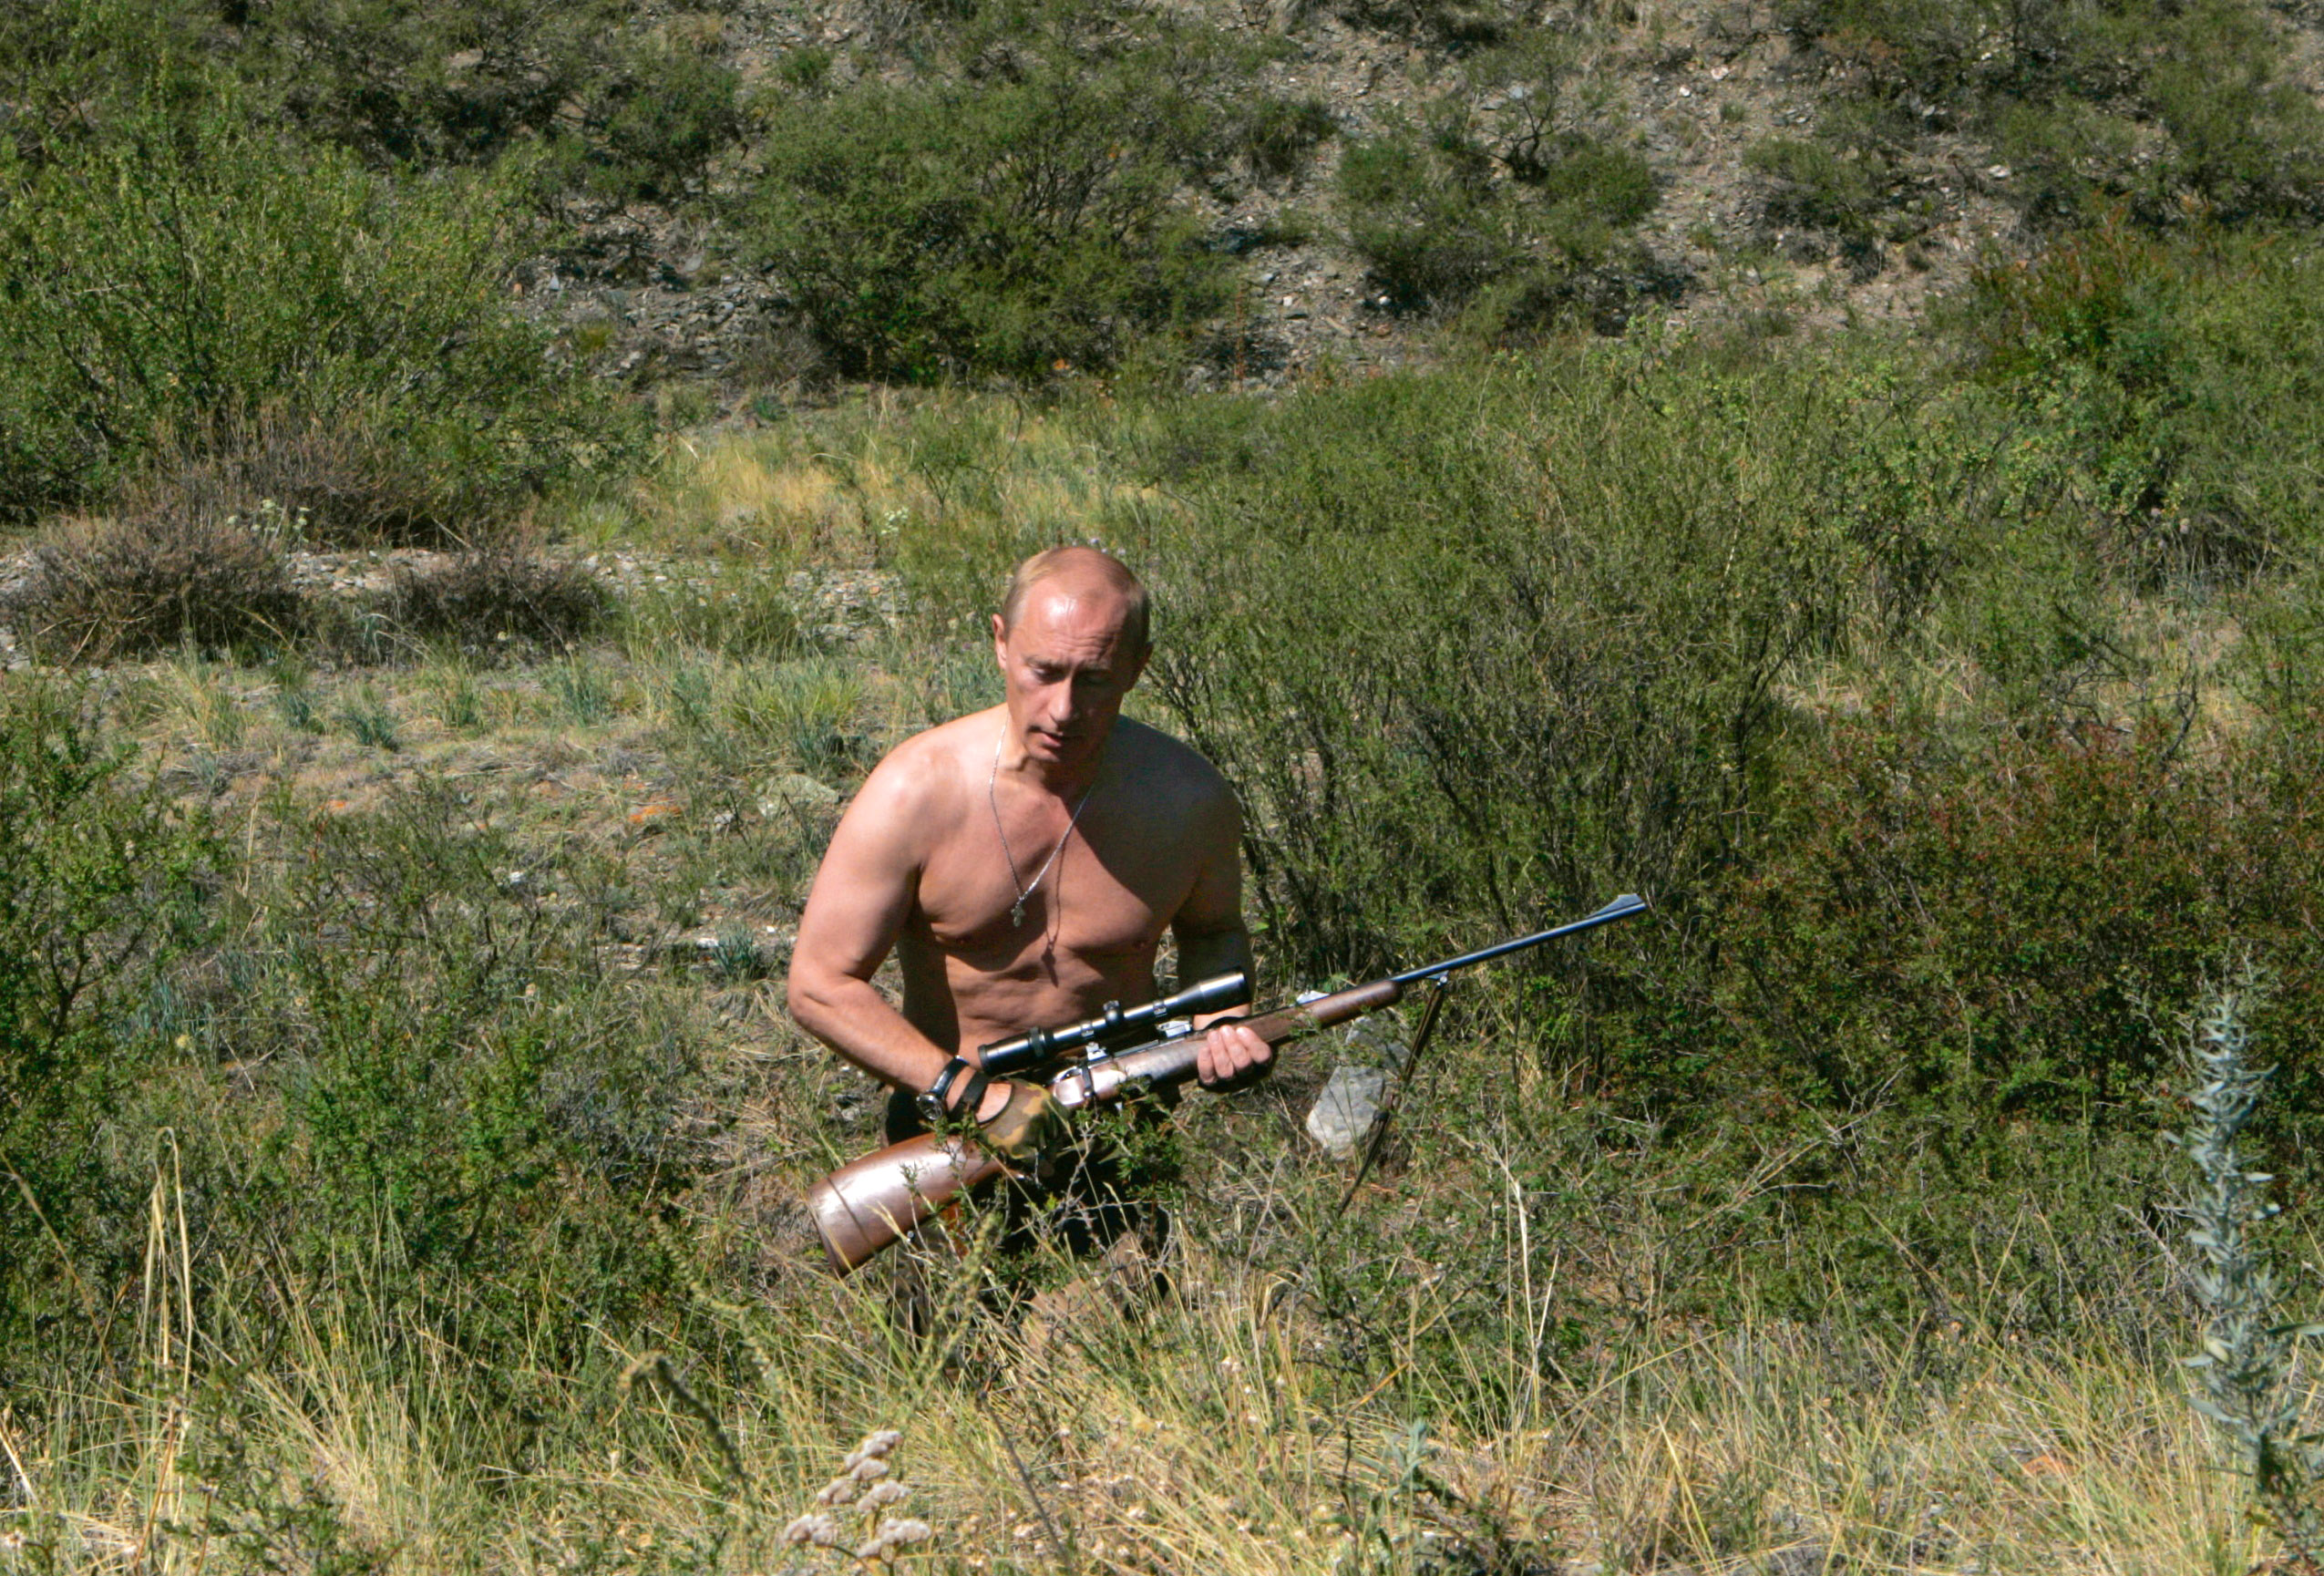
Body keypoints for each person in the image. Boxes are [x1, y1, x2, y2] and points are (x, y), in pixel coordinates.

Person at [786, 546, 1272, 1240]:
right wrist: (976, 1096)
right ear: (1000, 642)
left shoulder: (1188, 798)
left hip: (1121, 1129)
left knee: (1116, 1338)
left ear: (1140, 666)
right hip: (948, 1130)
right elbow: (818, 983)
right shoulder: (916, 791)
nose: (1063, 708)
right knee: (947, 1343)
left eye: (1096, 679)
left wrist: (1219, 1024)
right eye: (1042, 671)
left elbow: (1215, 931)